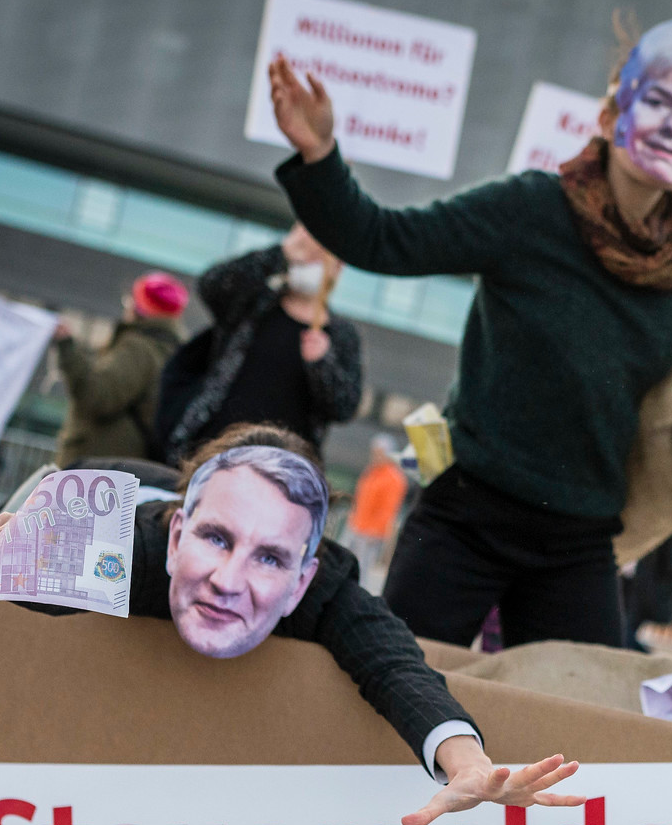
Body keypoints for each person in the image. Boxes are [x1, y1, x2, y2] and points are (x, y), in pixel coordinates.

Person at [0, 423, 579, 825]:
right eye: (217, 542)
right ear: (179, 529)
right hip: (67, 502)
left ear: (302, 576)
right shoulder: (110, 542)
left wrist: (467, 764)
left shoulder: (325, 585)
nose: (232, 580)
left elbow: (396, 666)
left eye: (269, 558)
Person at [265, 17, 672, 649]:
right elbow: (383, 237)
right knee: (391, 689)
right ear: (608, 117)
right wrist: (320, 155)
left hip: (580, 537)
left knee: (572, 724)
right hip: (469, 513)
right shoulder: (532, 208)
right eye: (656, 99)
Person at [160, 226, 360, 463]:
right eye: (304, 256)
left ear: (337, 268)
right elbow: (212, 284)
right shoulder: (255, 306)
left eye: (317, 258)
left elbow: (344, 408)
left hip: (282, 463)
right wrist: (281, 253)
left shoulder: (341, 335)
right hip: (212, 448)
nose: (306, 263)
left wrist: (322, 363)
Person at [54, 272, 188, 466]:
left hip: (95, 468)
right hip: (122, 467)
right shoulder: (169, 350)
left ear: (140, 308)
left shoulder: (139, 348)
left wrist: (67, 348)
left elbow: (97, 397)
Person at [342, 434, 408, 592]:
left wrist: (376, 531)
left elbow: (388, 509)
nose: (375, 455)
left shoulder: (393, 478)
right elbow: (360, 498)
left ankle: (353, 594)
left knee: (361, 568)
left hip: (371, 533)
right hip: (356, 526)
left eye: (379, 452)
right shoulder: (371, 472)